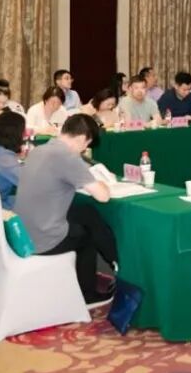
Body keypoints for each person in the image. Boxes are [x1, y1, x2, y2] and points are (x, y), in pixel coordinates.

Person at [14, 114, 117, 306]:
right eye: (86, 145)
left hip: (23, 230)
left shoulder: (39, 150)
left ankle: (113, 262)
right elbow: (103, 196)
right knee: (88, 234)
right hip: (44, 239)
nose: (84, 150)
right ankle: (89, 293)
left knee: (86, 213)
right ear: (81, 138)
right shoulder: (68, 157)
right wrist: (104, 182)